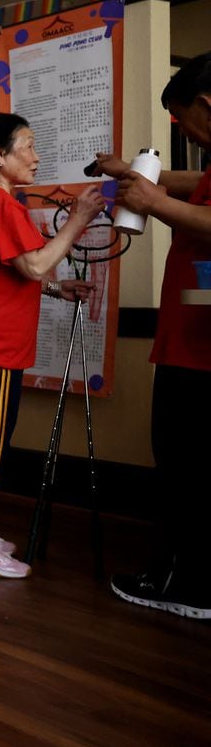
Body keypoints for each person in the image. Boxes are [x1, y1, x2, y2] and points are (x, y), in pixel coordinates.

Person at [0, 114, 100, 578]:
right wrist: (78, 220)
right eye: (28, 146)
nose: (36, 156)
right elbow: (32, 266)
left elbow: (3, 270)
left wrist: (56, 290)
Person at [92, 55, 211, 619]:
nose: (182, 133)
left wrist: (154, 204)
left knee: (186, 461)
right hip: (194, 327)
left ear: (205, 105)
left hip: (201, 350)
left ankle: (186, 585)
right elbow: (199, 184)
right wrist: (138, 176)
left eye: (183, 121)